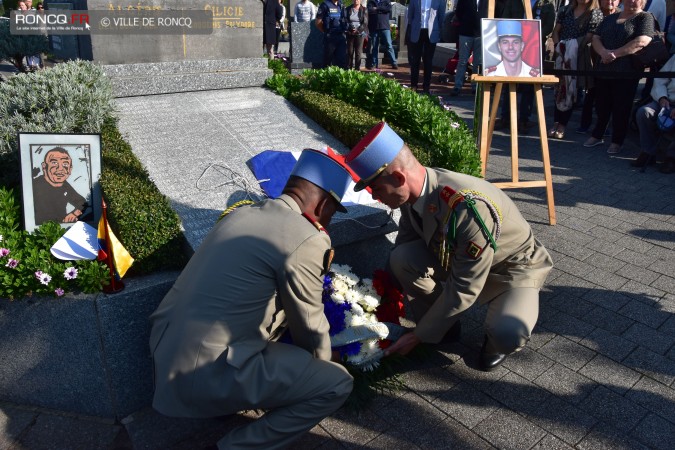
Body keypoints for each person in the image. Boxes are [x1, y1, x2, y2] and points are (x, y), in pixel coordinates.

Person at [150, 149, 354, 449]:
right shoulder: (307, 237)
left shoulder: (243, 212)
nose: (330, 221)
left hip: (164, 348)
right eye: (333, 212)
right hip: (205, 373)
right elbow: (309, 325)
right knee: (336, 385)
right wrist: (324, 367)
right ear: (324, 205)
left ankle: (225, 404)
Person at [344, 122, 553, 372]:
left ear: (399, 178)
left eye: (376, 189)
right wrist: (377, 295)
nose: (375, 197)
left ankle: (492, 343)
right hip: (460, 260)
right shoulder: (414, 191)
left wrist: (417, 336)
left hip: (510, 267)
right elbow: (407, 242)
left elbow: (464, 286)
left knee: (509, 332)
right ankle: (443, 327)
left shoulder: (466, 206)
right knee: (402, 258)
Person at [584, 0, 655, 154]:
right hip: (603, 68)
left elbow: (642, 41)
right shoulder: (611, 18)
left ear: (642, 2)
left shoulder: (645, 17)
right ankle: (597, 135)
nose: (632, 1)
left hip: (626, 72)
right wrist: (603, 52)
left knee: (621, 108)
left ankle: (617, 141)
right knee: (602, 105)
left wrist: (614, 54)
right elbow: (596, 37)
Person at [495, 0, 556, 133]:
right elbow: (505, 19)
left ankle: (524, 119)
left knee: (529, 84)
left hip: (534, 46)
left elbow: (548, 26)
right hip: (513, 45)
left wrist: (531, 36)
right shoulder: (515, 2)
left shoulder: (547, 3)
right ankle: (505, 117)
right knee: (508, 81)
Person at [548, 0, 603, 140]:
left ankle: (563, 125)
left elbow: (589, 37)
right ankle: (555, 122)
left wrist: (570, 49)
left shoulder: (595, 13)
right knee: (558, 88)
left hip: (578, 55)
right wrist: (558, 47)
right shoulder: (565, 10)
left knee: (570, 89)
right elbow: (556, 31)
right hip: (561, 54)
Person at [578, 0, 620, 134]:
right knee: (591, 93)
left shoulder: (622, 15)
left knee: (609, 98)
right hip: (593, 61)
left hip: (616, 61)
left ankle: (604, 126)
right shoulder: (594, 14)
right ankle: (585, 124)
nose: (610, 2)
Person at [631, 53, 675, 173]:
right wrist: (662, 97)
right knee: (644, 112)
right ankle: (648, 151)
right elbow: (661, 78)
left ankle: (671, 158)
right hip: (666, 100)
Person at [32, 147, 89, 225]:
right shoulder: (34, 186)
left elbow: (83, 203)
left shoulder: (64, 186)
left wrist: (74, 214)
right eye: (54, 163)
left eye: (65, 164)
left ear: (70, 169)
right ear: (44, 166)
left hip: (61, 230)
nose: (60, 168)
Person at [407, 0, 446, 94]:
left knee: (428, 61)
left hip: (431, 32)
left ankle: (426, 86)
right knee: (415, 60)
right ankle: (414, 85)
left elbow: (441, 17)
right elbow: (410, 15)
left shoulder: (440, 1)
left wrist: (439, 32)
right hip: (418, 31)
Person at [451, 0, 489, 96]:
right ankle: (457, 86)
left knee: (477, 62)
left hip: (480, 33)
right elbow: (459, 12)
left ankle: (475, 86)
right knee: (462, 60)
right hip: (465, 32)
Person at [366, 0, 398, 70]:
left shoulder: (386, 1)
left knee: (389, 45)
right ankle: (374, 63)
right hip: (374, 27)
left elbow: (388, 9)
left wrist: (377, 8)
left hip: (385, 27)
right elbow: (369, 10)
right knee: (374, 47)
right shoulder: (371, 1)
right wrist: (382, 9)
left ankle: (394, 63)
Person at [316, 0, 348, 68]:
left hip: (341, 36)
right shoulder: (324, 5)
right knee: (327, 60)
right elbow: (318, 23)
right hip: (330, 37)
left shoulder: (341, 4)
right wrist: (326, 31)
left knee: (342, 60)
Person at [345, 0, 368, 70]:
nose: (356, 1)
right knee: (350, 52)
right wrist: (351, 28)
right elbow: (345, 20)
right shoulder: (348, 9)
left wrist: (358, 30)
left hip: (360, 34)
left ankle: (357, 69)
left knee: (358, 52)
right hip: (350, 33)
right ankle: (349, 69)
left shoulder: (364, 9)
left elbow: (365, 22)